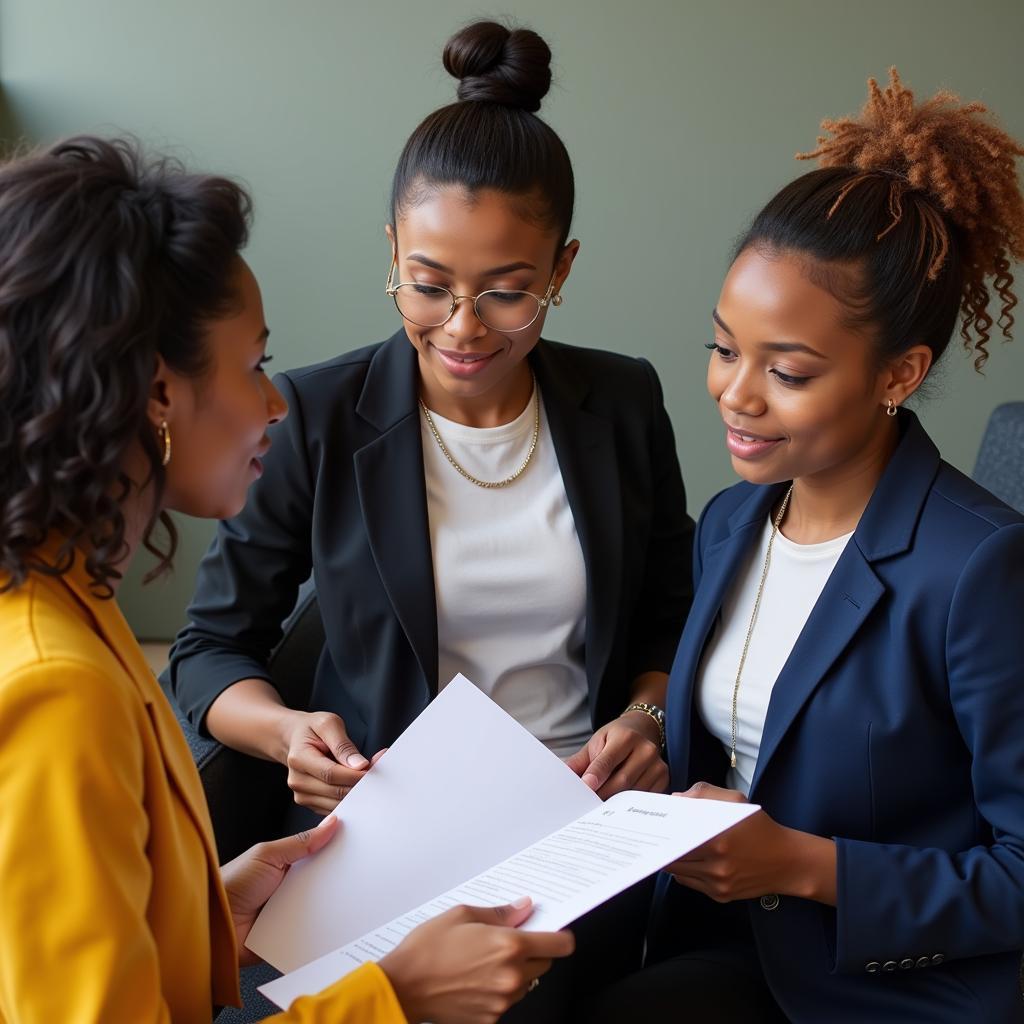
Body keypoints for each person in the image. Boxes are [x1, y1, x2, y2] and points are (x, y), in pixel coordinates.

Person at [167, 21, 693, 1020]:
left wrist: (644, 714)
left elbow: (674, 610)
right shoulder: (316, 414)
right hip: (379, 854)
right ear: (393, 254)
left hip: (578, 843)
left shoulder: (621, 402)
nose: (463, 328)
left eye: (507, 292)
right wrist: (287, 734)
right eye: (430, 283)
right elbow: (207, 649)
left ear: (562, 267)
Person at [0, 135, 575, 1024]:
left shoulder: (71, 602)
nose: (275, 403)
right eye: (254, 364)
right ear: (159, 392)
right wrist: (396, 996)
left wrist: (209, 910)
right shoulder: (56, 686)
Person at [591, 70, 1024, 1022]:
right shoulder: (733, 523)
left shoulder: (979, 569)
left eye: (786, 371)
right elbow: (753, 736)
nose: (736, 395)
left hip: (892, 990)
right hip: (728, 949)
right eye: (722, 347)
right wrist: (648, 734)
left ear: (899, 374)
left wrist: (798, 862)